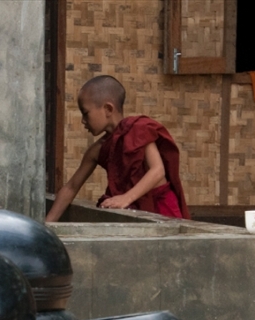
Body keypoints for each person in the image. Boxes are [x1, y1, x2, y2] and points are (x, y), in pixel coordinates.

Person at [46, 75, 190, 222]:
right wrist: (47, 224)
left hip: (161, 207)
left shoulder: (139, 130)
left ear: (108, 109)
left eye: (85, 113)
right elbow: (71, 187)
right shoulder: (97, 150)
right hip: (131, 212)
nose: (83, 121)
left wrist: (126, 198)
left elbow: (157, 171)